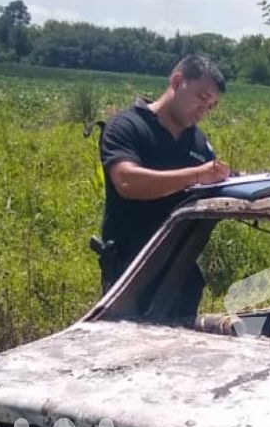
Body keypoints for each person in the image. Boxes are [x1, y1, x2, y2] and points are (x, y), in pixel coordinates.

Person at [96, 54, 230, 293]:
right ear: (177, 81)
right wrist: (197, 175)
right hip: (131, 272)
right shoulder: (127, 126)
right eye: (202, 98)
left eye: (210, 106)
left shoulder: (198, 142)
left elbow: (212, 188)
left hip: (182, 273)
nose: (203, 111)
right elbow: (127, 182)